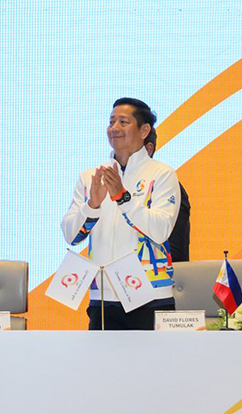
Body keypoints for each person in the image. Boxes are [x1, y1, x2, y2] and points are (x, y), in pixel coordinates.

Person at [61, 98, 180, 330]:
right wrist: (91, 206)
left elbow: (161, 230)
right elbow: (71, 236)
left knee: (152, 356)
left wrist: (123, 198)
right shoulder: (91, 177)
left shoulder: (162, 174)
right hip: (103, 297)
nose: (114, 128)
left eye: (123, 122)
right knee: (101, 356)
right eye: (111, 122)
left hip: (150, 294)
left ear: (144, 130)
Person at [144, 127, 191, 265]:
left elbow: (175, 252)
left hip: (154, 272)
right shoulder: (108, 183)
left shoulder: (165, 183)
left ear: (148, 149)